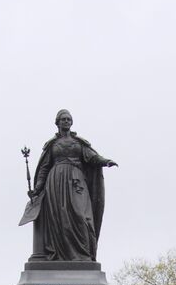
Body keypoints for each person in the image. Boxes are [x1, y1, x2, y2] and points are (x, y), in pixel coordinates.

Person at [27, 109, 118, 262]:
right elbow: (44, 168)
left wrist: (106, 161)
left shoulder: (79, 143)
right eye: (63, 119)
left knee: (82, 216)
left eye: (69, 119)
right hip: (56, 182)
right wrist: (37, 189)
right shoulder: (52, 145)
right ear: (57, 123)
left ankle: (83, 255)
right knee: (60, 217)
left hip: (76, 181)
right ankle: (60, 254)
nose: (66, 121)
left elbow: (92, 157)